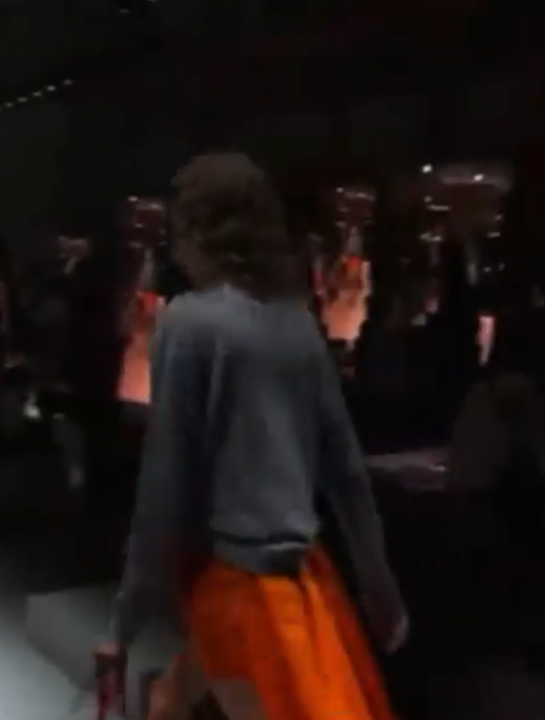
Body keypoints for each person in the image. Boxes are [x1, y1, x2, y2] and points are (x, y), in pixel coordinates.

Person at [118, 153, 407, 720]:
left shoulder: (189, 322)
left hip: (234, 589)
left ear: (202, 231)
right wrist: (378, 583)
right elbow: (346, 472)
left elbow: (163, 483)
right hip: (307, 584)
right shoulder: (297, 323)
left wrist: (126, 617)